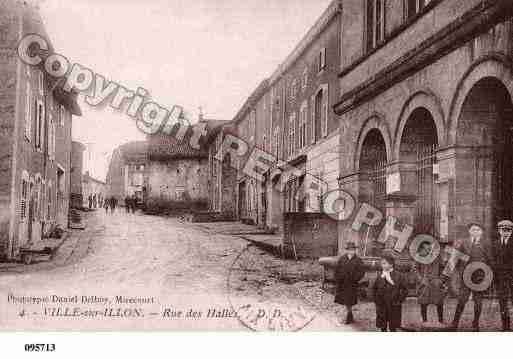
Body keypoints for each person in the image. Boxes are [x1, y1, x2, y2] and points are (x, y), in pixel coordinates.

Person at [449, 222, 492, 331]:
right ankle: (455, 323)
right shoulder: (463, 243)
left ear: (481, 232)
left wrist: (487, 275)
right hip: (466, 276)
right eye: (473, 230)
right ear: (469, 231)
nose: (475, 232)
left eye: (478, 230)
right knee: (462, 300)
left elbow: (490, 261)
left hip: (480, 277)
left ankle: (475, 323)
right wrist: (458, 271)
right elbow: (455, 258)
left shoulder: (486, 244)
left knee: (478, 302)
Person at [412, 241, 447, 325]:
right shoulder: (418, 256)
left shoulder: (437, 256)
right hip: (424, 283)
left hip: (436, 283)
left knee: (439, 302)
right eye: (426, 248)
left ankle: (441, 321)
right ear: (422, 248)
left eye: (429, 248)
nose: (428, 250)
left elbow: (443, 269)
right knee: (423, 303)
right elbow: (414, 269)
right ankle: (424, 321)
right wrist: (421, 279)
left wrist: (441, 280)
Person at [373, 254, 408, 332]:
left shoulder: (399, 276)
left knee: (393, 326)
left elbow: (405, 290)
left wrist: (399, 300)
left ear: (391, 264)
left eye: (384, 263)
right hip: (382, 305)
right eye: (381, 263)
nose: (382, 265)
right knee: (383, 326)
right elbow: (374, 289)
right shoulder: (380, 276)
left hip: (394, 305)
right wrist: (377, 301)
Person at [334, 242, 365, 324]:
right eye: (349, 250)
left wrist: (355, 279)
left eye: (353, 250)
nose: (351, 251)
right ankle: (349, 314)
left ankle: (349, 315)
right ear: (347, 250)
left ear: (355, 250)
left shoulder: (358, 260)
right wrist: (338, 278)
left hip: (352, 284)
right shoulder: (342, 259)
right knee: (344, 300)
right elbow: (337, 270)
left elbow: (361, 272)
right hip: (343, 283)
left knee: (350, 300)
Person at [494, 220, 513, 331]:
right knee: (503, 301)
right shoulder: (495, 244)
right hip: (500, 278)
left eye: (508, 230)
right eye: (503, 230)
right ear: (499, 231)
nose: (505, 232)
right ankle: (505, 326)